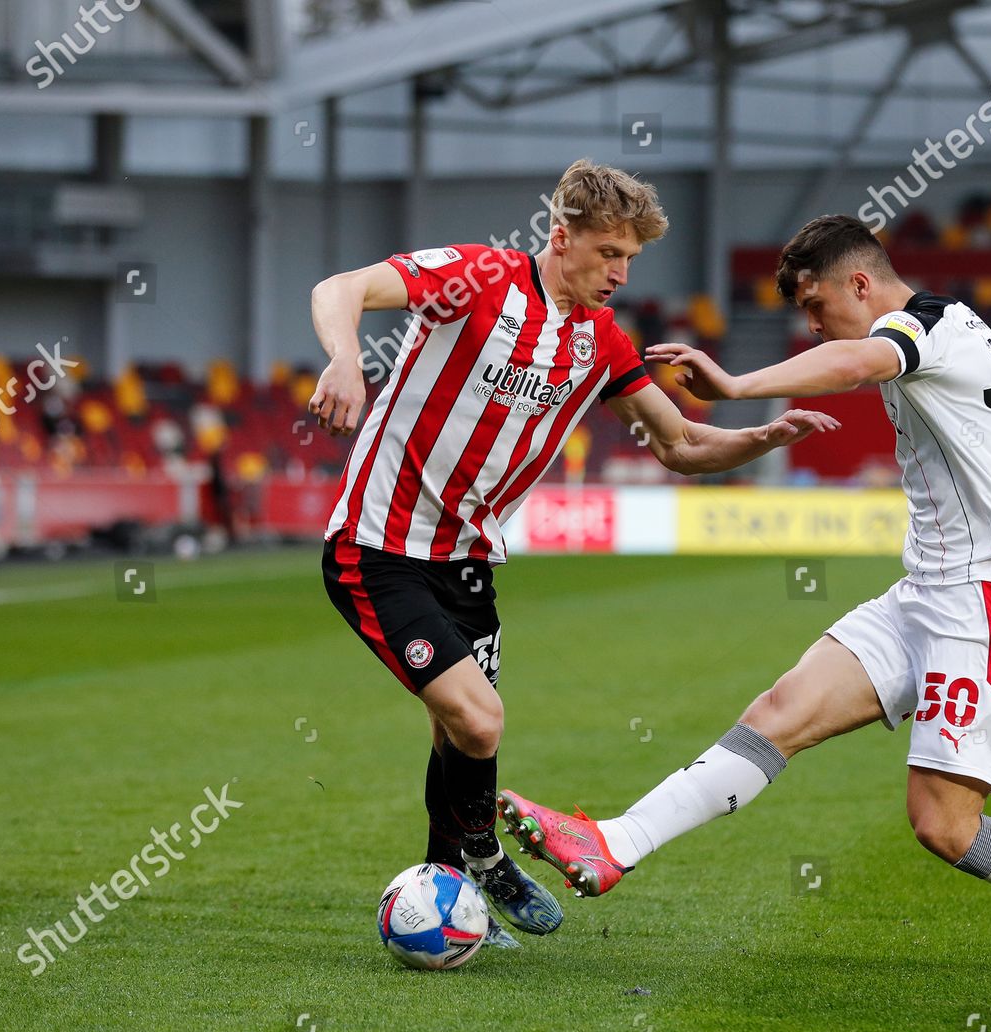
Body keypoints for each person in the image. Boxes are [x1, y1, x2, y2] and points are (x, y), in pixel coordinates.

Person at [499, 214, 991, 981]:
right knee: (777, 712)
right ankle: (614, 843)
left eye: (816, 307)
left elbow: (856, 362)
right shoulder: (969, 330)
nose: (812, 326)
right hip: (927, 592)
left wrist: (739, 385)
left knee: (943, 824)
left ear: (861, 283)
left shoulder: (919, 332)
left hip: (989, 604)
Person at [307, 161, 837, 949]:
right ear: (562, 237)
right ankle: (485, 858)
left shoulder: (598, 340)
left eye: (630, 259)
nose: (620, 273)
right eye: (609, 253)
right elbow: (338, 288)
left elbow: (682, 441)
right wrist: (347, 357)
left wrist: (756, 440)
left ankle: (446, 894)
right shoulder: (477, 276)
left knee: (454, 732)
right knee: (479, 720)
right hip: (377, 545)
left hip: (469, 562)